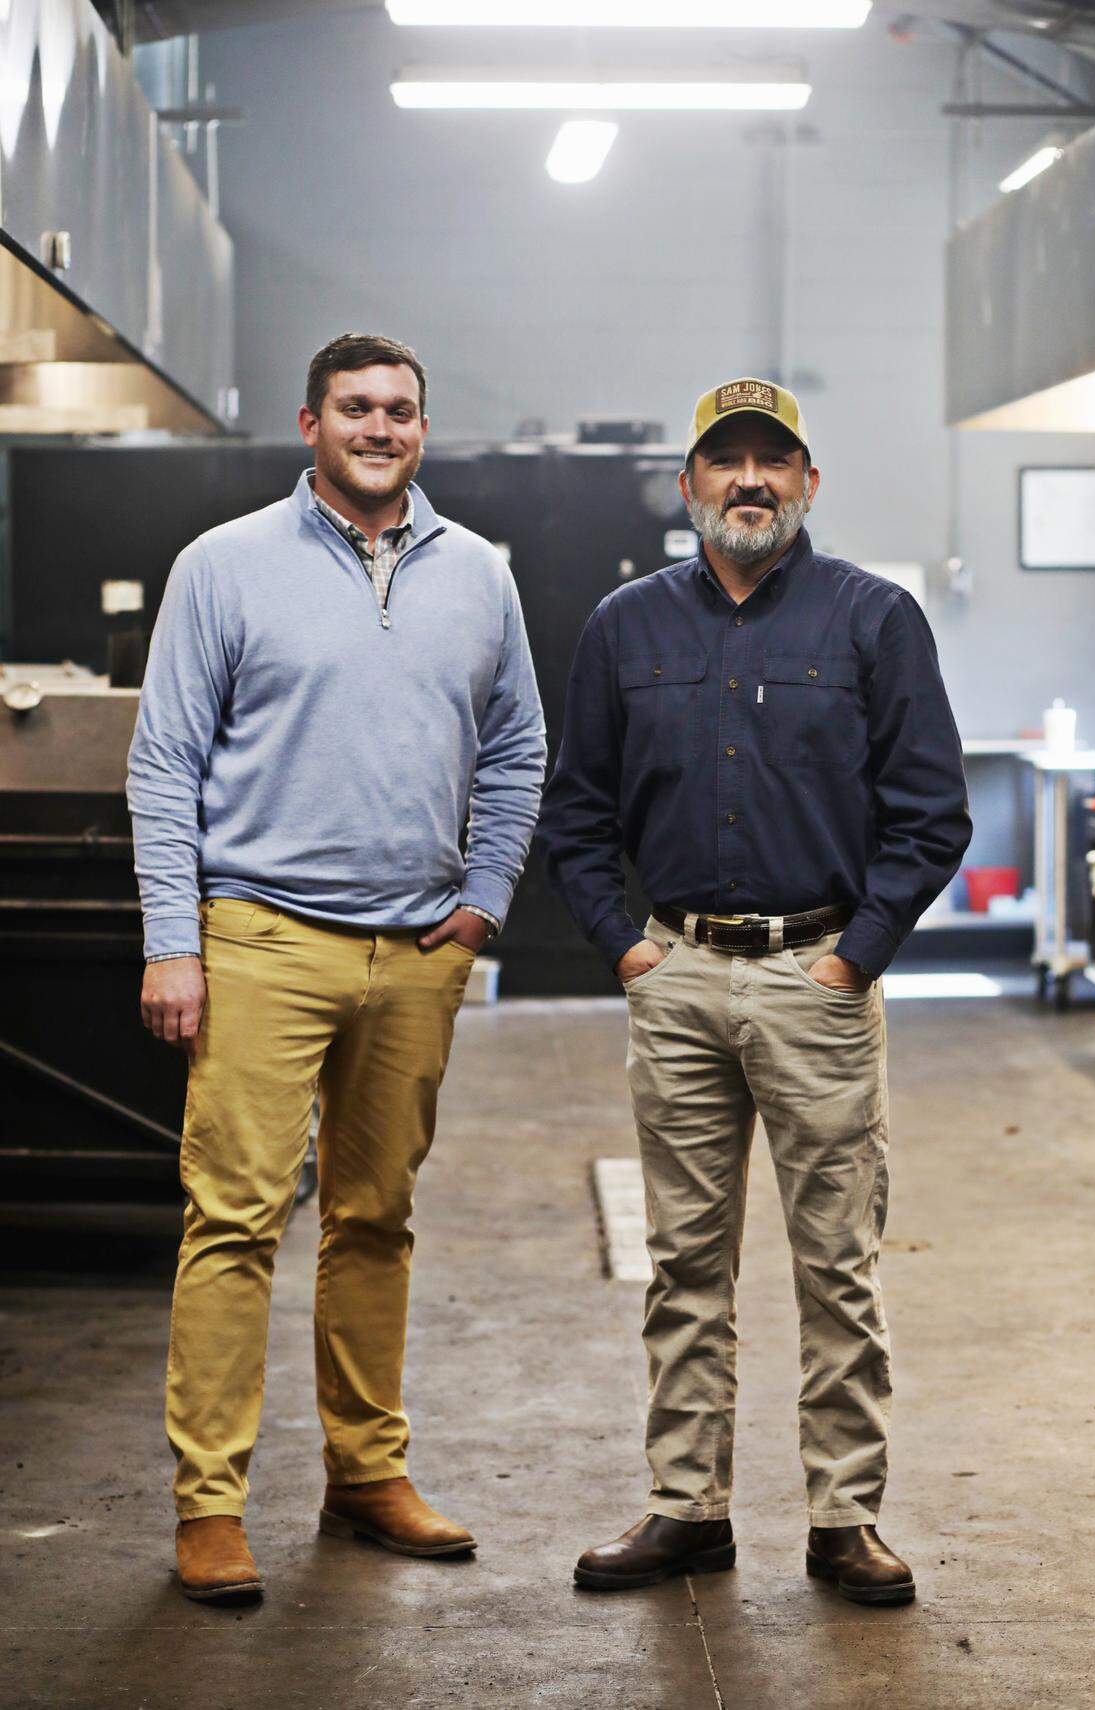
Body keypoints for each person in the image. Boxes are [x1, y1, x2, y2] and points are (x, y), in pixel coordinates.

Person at [535, 376, 971, 1604]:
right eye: (725, 462)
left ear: (809, 483)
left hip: (816, 978)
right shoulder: (626, 627)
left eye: (773, 462)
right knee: (685, 1262)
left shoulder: (873, 620)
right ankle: (688, 1507)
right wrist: (625, 947)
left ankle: (845, 1516)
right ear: (688, 486)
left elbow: (931, 814)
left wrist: (853, 960)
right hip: (676, 978)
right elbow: (576, 814)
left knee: (837, 1261)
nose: (749, 482)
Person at [128, 332, 545, 1603]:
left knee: (377, 1218)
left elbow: (520, 748)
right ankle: (210, 1505)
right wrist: (172, 941)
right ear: (311, 422)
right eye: (357, 407)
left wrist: (481, 907)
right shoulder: (226, 564)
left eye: (403, 411)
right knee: (237, 1220)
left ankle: (367, 1475)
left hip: (418, 951)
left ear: (425, 429)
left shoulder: (478, 574)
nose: (381, 427)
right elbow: (164, 764)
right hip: (260, 938)